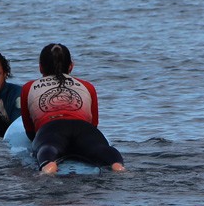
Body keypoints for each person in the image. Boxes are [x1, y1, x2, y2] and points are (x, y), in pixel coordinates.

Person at [20, 43, 126, 174]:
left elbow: (31, 132)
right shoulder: (87, 86)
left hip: (51, 128)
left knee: (48, 147)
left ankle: (48, 165)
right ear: (71, 66)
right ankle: (117, 165)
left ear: (40, 67)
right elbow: (93, 124)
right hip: (83, 128)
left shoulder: (28, 87)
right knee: (100, 149)